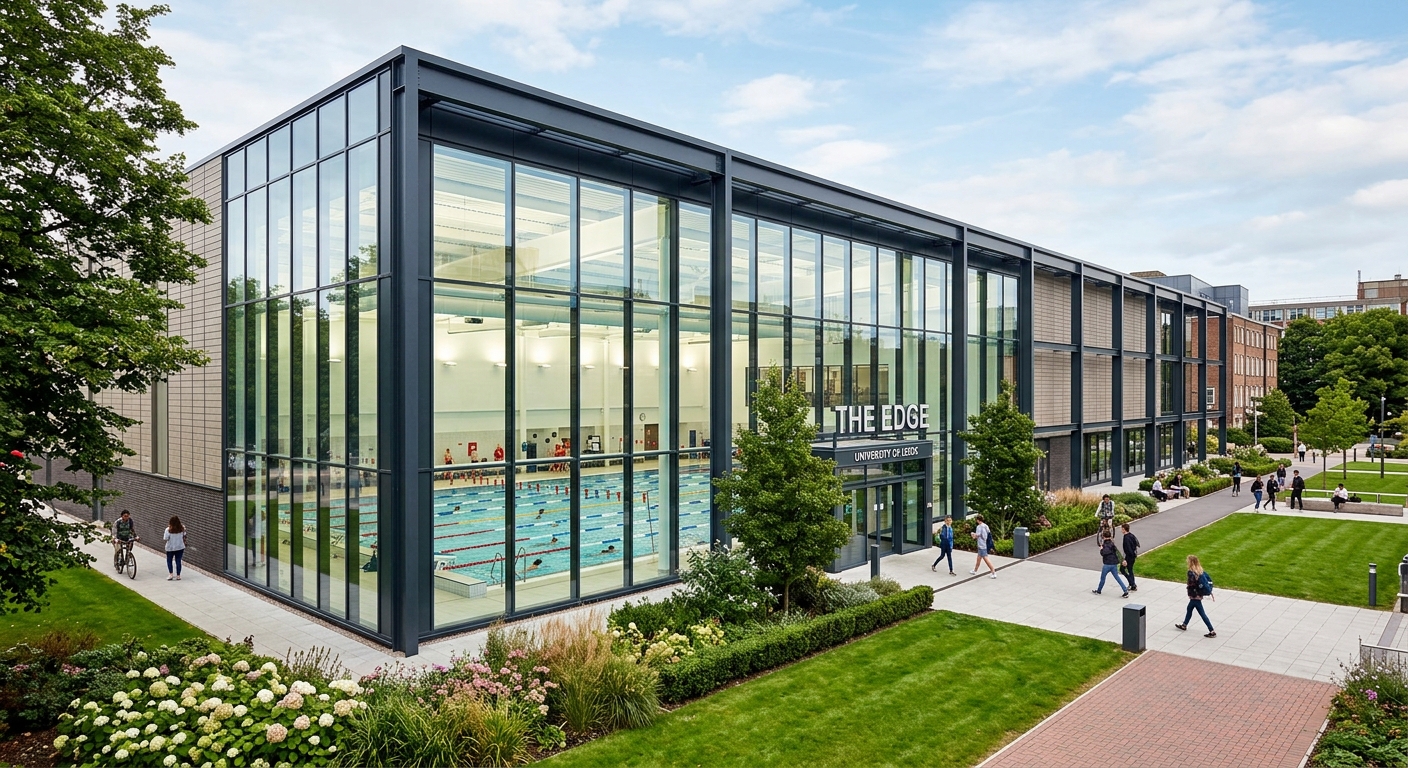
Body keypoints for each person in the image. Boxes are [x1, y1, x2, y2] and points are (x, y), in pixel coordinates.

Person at [1175, 554, 1217, 638]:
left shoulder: (1191, 572)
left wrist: (1189, 590)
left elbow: (1191, 584)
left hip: (1195, 596)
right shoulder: (1200, 571)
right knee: (1189, 609)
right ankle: (1184, 624)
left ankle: (1212, 630)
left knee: (1202, 613)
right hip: (1199, 595)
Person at [969, 514, 997, 579]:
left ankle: (993, 572)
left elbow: (976, 536)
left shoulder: (979, 527)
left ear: (978, 520)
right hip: (984, 545)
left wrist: (972, 534)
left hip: (981, 545)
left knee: (986, 559)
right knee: (978, 558)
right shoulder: (986, 526)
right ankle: (975, 570)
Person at [163, 516, 187, 581]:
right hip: (180, 547)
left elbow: (165, 538)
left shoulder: (168, 530)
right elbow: (184, 535)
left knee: (169, 560)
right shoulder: (182, 528)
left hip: (170, 548)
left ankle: (171, 574)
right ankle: (178, 575)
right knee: (178, 561)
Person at [1120, 523, 1140, 592]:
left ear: (1123, 529)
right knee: (1130, 570)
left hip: (1129, 556)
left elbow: (1128, 549)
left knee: (1122, 569)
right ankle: (1132, 585)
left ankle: (1132, 583)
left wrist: (1125, 559)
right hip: (1133, 556)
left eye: (1121, 529)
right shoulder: (1131, 535)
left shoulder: (1126, 538)